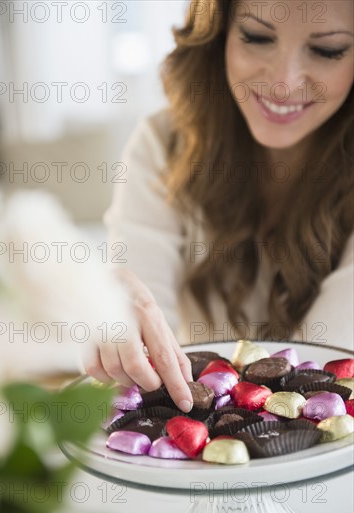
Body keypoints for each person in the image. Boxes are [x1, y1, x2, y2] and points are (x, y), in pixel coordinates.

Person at [84, 0, 354, 412]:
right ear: (219, 33)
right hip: (191, 464)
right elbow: (132, 352)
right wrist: (110, 316)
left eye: (327, 50)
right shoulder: (164, 144)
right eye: (257, 37)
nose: (284, 83)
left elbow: (326, 380)